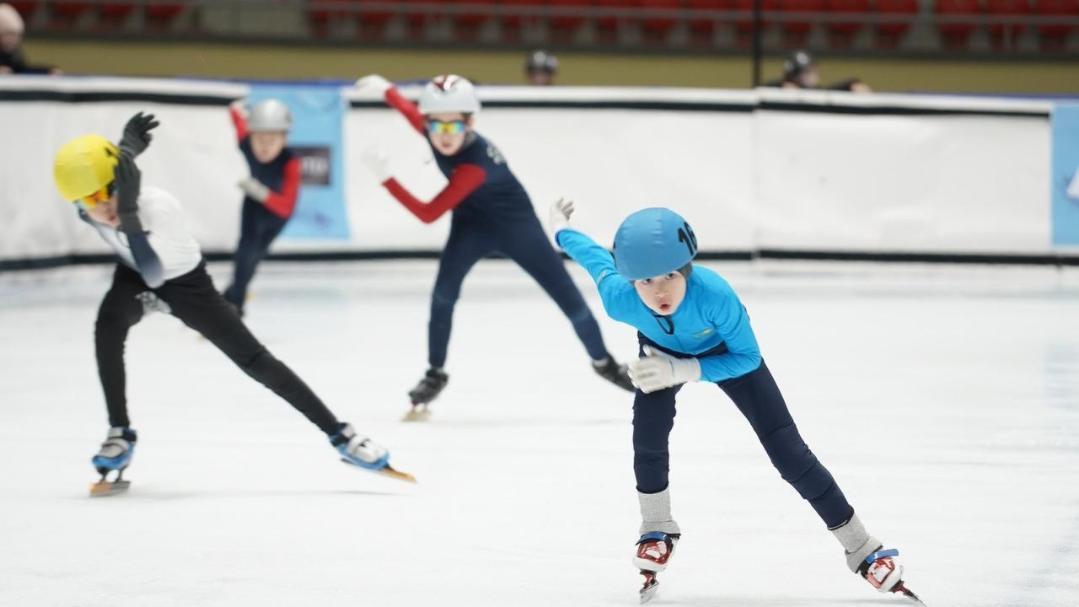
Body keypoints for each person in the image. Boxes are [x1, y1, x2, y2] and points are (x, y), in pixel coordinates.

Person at [547, 199, 921, 603]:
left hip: (728, 354)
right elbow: (592, 258)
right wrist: (560, 229)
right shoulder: (619, 297)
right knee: (647, 435)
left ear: (687, 267)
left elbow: (748, 358)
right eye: (645, 281)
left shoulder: (715, 296)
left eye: (670, 275)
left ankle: (863, 549)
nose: (660, 291)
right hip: (659, 353)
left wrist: (685, 370)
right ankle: (656, 528)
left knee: (789, 453)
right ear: (631, 280)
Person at [52, 112, 407, 494]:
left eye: (107, 191)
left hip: (184, 284)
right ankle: (119, 432)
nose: (101, 206)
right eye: (88, 200)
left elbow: (156, 274)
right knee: (107, 327)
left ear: (123, 184)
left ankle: (342, 436)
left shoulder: (159, 206)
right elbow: (115, 215)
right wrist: (125, 152)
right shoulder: (90, 208)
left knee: (255, 360)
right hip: (134, 276)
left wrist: (128, 213)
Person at [353, 73, 633, 420]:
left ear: (470, 124)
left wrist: (385, 178)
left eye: (452, 128)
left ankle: (604, 362)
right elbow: (415, 117)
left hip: (516, 227)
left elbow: (428, 213)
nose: (443, 137)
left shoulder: (475, 167)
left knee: (568, 298)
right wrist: (387, 90)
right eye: (435, 127)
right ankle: (435, 372)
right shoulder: (440, 130)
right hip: (471, 223)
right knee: (442, 297)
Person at [222, 99, 301, 317]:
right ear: (251, 136)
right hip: (254, 207)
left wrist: (261, 193)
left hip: (277, 215)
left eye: (272, 140)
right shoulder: (246, 144)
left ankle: (231, 295)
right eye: (259, 139)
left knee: (255, 257)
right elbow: (238, 124)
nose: (265, 146)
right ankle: (235, 304)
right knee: (244, 254)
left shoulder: (291, 162)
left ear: (284, 139)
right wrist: (235, 108)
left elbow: (286, 207)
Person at [766, 49, 871, 93]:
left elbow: (829, 92)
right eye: (809, 72)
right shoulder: (777, 89)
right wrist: (782, 88)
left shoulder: (814, 91)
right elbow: (765, 88)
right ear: (795, 76)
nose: (815, 75)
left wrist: (851, 85)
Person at [0, 2, 60, 75]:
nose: (13, 40)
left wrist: (47, 71)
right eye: (9, 34)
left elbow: (22, 69)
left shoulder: (12, 54)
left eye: (17, 35)